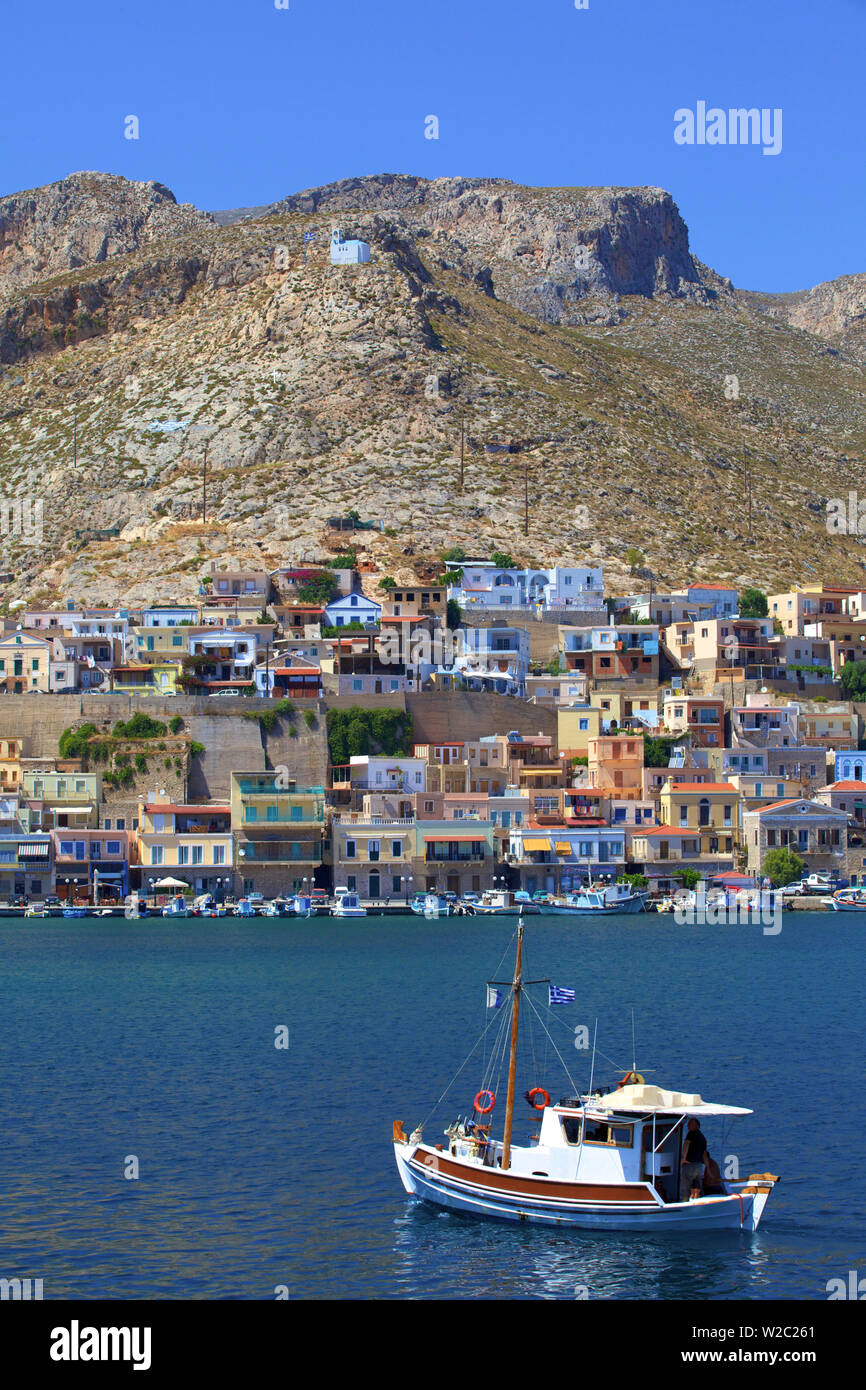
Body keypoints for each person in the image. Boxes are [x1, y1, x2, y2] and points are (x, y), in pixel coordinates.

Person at [680, 1117, 707, 1200]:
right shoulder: (702, 1137)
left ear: (697, 1126)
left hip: (689, 1164)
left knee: (686, 1186)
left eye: (690, 1124)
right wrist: (706, 1165)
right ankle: (698, 1201)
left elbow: (686, 1144)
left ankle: (684, 1202)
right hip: (698, 1165)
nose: (688, 1126)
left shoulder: (691, 1134)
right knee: (697, 1185)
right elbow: (704, 1153)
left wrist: (683, 1158)